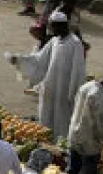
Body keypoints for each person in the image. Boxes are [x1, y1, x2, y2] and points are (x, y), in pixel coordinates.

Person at [9, 12, 86, 140]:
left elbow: (78, 71)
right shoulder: (54, 41)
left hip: (65, 92)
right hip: (51, 89)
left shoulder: (75, 43)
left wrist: (74, 94)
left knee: (62, 121)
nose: (51, 30)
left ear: (62, 26)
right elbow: (39, 59)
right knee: (47, 119)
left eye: (53, 27)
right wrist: (19, 60)